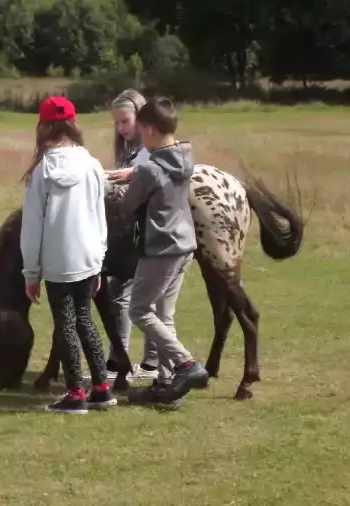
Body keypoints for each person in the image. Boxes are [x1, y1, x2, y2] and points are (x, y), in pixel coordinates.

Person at [106, 97, 209, 406]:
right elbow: (158, 181)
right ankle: (168, 388)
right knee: (165, 316)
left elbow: (126, 205)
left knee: (138, 309)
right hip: (184, 246)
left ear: (148, 129)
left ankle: (187, 365)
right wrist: (136, 175)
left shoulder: (150, 169)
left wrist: (125, 182)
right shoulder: (184, 157)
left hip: (161, 248)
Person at [20, 96, 117, 414]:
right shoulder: (91, 164)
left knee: (65, 323)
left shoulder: (42, 171)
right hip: (88, 256)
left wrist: (31, 274)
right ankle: (102, 388)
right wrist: (99, 261)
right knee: (85, 318)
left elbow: (32, 227)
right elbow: (99, 215)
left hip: (58, 261)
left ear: (43, 127)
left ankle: (76, 393)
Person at [99, 88, 159, 383]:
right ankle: (122, 358)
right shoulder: (132, 153)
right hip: (132, 233)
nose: (122, 128)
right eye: (118, 123)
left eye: (126, 121)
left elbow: (146, 175)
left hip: (146, 233)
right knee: (124, 294)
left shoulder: (149, 153)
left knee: (138, 296)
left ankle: (145, 363)